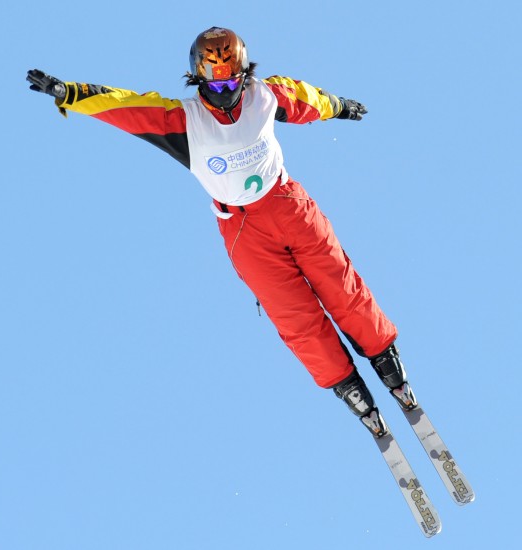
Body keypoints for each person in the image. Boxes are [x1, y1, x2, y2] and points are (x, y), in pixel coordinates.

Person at [27, 26, 418, 437]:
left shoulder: (266, 95)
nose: (226, 87)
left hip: (288, 205)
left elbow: (307, 99)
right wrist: (68, 92)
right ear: (198, 76)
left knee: (340, 284)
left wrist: (339, 106)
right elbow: (124, 106)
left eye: (233, 77)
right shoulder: (182, 120)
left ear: (245, 71)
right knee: (294, 315)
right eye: (216, 79)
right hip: (244, 230)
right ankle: (350, 389)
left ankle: (387, 362)